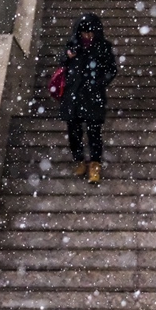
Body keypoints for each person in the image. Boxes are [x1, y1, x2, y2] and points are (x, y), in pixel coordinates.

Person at [60, 13, 117, 184]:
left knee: (94, 132)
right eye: (84, 33)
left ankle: (95, 164)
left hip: (93, 96)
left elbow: (111, 69)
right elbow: (62, 63)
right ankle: (79, 160)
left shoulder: (103, 47)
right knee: (74, 131)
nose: (87, 36)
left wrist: (99, 83)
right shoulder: (72, 46)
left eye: (90, 33)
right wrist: (67, 57)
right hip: (74, 95)